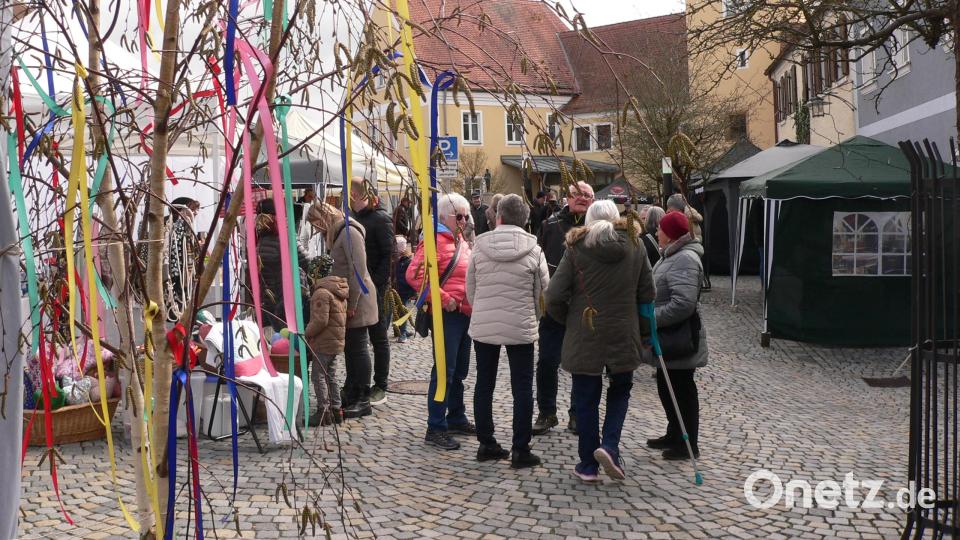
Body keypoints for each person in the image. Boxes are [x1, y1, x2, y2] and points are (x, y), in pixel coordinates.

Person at [544, 200, 655, 482]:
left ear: (588, 220)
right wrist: (646, 333)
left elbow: (553, 295)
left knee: (586, 396)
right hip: (623, 330)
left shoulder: (576, 248)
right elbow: (647, 295)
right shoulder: (636, 245)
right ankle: (610, 446)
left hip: (585, 330)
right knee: (621, 389)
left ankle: (588, 464)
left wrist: (567, 320)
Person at [466, 194, 549, 469]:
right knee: (522, 388)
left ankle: (486, 443)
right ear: (524, 219)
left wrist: (482, 310)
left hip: (485, 323)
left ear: (498, 216)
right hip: (521, 323)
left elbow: (471, 288)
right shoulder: (535, 249)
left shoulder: (479, 247)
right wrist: (533, 317)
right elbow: (542, 293)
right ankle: (520, 449)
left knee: (484, 384)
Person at [406, 193, 475, 451]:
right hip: (447, 314)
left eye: (466, 216)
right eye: (460, 216)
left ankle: (456, 416)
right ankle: (435, 426)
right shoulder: (434, 241)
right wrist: (444, 299)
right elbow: (414, 276)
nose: (465, 220)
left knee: (459, 370)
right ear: (445, 217)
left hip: (464, 313)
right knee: (445, 370)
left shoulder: (459, 239)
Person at [645, 210, 708, 460]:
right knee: (667, 385)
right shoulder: (671, 254)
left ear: (670, 234)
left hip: (681, 336)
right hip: (669, 334)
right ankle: (674, 433)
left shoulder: (685, 259)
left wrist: (652, 318)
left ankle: (688, 444)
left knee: (682, 389)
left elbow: (683, 303)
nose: (657, 231)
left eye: (660, 228)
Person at [307, 202, 378, 418]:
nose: (317, 229)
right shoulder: (338, 232)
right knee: (350, 348)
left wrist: (352, 304)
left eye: (316, 224)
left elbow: (359, 270)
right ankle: (352, 390)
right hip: (346, 299)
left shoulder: (349, 232)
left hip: (357, 299)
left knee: (359, 348)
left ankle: (363, 398)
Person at [533, 181, 594, 436]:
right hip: (554, 306)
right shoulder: (551, 225)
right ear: (567, 198)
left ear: (593, 200)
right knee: (547, 361)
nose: (581, 198)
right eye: (576, 194)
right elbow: (538, 260)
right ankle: (547, 412)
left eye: (587, 195)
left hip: (585, 308)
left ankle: (577, 413)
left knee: (582, 363)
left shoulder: (597, 227)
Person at [349, 178, 395, 406]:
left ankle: (381, 385)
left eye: (351, 194)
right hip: (359, 286)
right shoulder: (353, 217)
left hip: (376, 287)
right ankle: (356, 384)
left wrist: (375, 284)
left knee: (379, 338)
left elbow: (389, 255)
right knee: (357, 340)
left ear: (358, 195)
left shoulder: (381, 218)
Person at [252, 199, 310, 332]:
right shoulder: (283, 235)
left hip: (275, 301)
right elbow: (306, 261)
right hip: (284, 300)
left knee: (282, 337)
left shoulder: (261, 238)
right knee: (290, 337)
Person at [305, 254, 347, 427]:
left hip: (324, 342)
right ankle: (337, 410)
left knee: (319, 376)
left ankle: (323, 411)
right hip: (335, 341)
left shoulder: (321, 293)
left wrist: (306, 333)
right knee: (331, 376)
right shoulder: (337, 290)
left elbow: (320, 321)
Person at [167, 197, 199, 321]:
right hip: (178, 279)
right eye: (193, 209)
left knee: (184, 309)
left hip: (184, 279)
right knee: (181, 310)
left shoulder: (186, 229)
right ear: (182, 211)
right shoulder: (175, 229)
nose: (196, 213)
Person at [392, 236, 416, 342]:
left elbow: (411, 278)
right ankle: (400, 330)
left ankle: (403, 333)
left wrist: (413, 292)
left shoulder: (407, 261)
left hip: (404, 290)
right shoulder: (396, 260)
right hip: (396, 289)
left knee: (403, 311)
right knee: (396, 310)